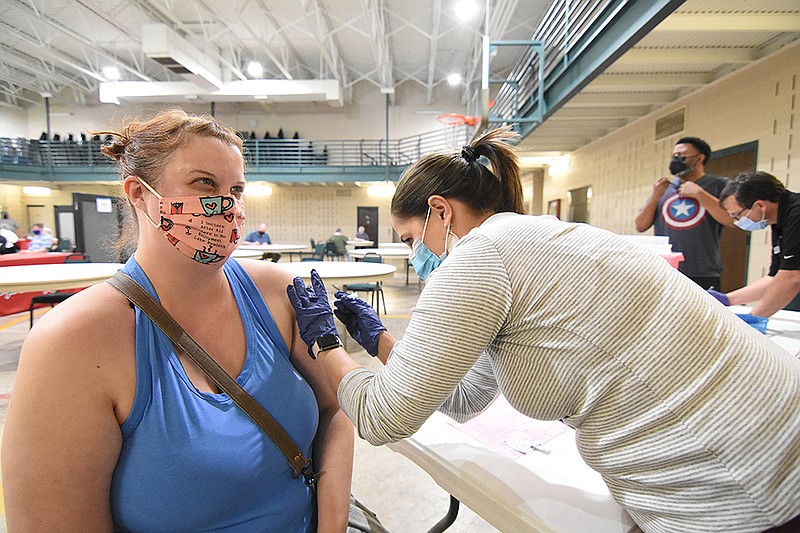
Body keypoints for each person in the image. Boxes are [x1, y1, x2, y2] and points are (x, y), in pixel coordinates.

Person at [287, 127, 800, 532]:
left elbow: (381, 419)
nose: (413, 252)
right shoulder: (533, 236)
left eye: (410, 237)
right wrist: (378, 339)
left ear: (439, 211)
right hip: (773, 436)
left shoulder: (478, 259)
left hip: (741, 485)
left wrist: (325, 342)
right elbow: (466, 397)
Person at [2, 109, 355, 531]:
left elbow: (336, 410)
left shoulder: (279, 294)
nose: (228, 207)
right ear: (139, 193)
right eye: (204, 183)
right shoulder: (73, 343)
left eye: (237, 189)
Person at [634, 136, 733, 289]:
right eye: (674, 156)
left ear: (699, 158)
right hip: (665, 270)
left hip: (702, 272)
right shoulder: (664, 188)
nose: (676, 160)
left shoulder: (719, 185)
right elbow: (640, 226)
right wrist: (655, 195)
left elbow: (731, 220)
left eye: (682, 156)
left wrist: (700, 194)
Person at [707, 171, 800, 318]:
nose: (737, 221)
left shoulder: (796, 215)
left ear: (760, 205)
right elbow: (776, 277)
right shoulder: (780, 222)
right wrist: (726, 299)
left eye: (737, 215)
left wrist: (752, 320)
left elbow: (792, 277)